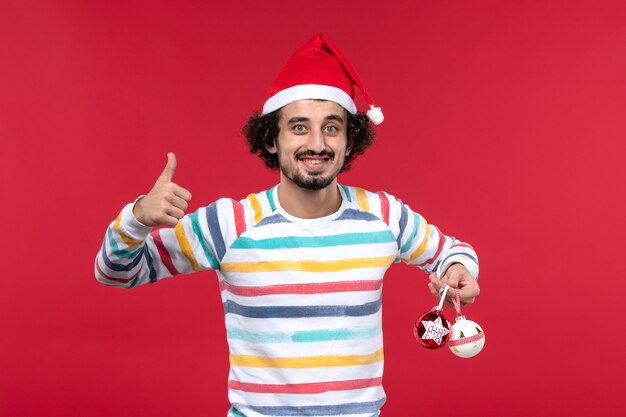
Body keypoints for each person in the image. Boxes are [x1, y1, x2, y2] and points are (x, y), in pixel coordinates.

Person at [95, 34, 480, 417]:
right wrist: (138, 217)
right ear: (271, 139)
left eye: (331, 127)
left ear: (350, 140)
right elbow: (116, 274)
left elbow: (451, 253)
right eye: (298, 127)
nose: (316, 143)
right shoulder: (229, 224)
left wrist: (459, 270)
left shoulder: (384, 215)